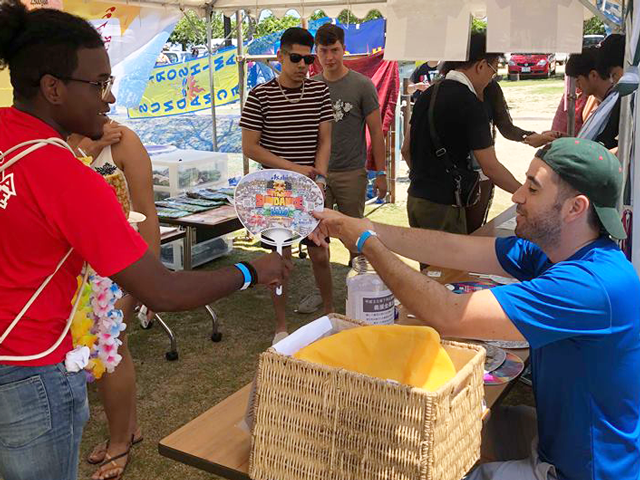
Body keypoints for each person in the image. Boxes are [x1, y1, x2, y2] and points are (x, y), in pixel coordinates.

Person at [0, 3, 290, 480]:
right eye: (97, 84)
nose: (109, 99)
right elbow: (164, 291)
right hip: (31, 372)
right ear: (52, 88)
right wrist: (251, 270)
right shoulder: (69, 179)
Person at [311, 137, 640, 480]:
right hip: (558, 446)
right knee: (460, 428)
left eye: (533, 188)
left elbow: (449, 315)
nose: (517, 196)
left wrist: (368, 245)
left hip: (582, 472)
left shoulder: (590, 286)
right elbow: (455, 249)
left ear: (575, 208)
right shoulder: (560, 251)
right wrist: (366, 227)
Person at [67, 122, 159, 480]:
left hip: (119, 266)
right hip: (72, 267)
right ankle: (129, 427)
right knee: (96, 351)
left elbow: (147, 212)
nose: (106, 98)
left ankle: (120, 440)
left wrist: (151, 280)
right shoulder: (56, 143)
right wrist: (85, 151)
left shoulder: (123, 141)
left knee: (109, 346)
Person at [239, 27, 333, 342]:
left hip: (311, 188)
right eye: (296, 58)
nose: (303, 65)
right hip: (274, 191)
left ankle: (331, 316)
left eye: (308, 59)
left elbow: (325, 139)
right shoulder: (260, 95)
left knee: (320, 252)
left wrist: (318, 178)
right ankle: (281, 328)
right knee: (280, 258)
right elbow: (250, 147)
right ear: (280, 56)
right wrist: (296, 170)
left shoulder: (319, 92)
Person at [403, 32, 521, 241]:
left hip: (416, 200)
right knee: (450, 272)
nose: (490, 79)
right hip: (444, 206)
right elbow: (491, 167)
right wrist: (523, 193)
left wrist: (427, 178)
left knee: (429, 272)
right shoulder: (470, 102)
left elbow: (406, 150)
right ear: (481, 65)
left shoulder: (428, 94)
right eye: (493, 71)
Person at [312, 23, 387, 255]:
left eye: (334, 50)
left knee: (356, 240)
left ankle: (357, 287)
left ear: (344, 49)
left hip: (351, 173)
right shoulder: (311, 86)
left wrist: (382, 173)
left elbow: (376, 131)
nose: (329, 57)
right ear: (316, 51)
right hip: (317, 175)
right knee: (316, 238)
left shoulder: (362, 85)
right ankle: (324, 292)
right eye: (323, 51)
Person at [565, 46, 621, 149]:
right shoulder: (609, 102)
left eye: (578, 80)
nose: (577, 85)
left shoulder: (618, 106)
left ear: (593, 75)